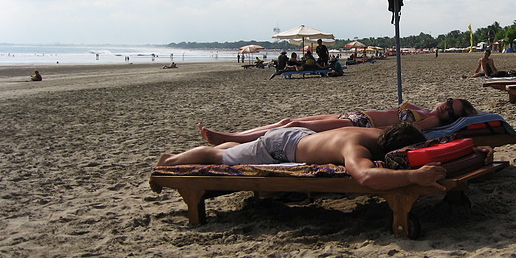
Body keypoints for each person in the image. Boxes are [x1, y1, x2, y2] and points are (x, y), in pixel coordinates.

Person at [158, 123, 494, 191]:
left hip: (299, 139)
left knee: (231, 151)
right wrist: (410, 177)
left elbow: (434, 142)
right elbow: (364, 177)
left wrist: (474, 150)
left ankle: (180, 154)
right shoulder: (357, 149)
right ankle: (170, 161)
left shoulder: (385, 135)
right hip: (280, 146)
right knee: (223, 158)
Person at [199, 98, 478, 145]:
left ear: (453, 117)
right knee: (290, 119)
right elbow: (404, 108)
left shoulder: (430, 124)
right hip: (355, 115)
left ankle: (233, 139)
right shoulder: (429, 111)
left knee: (293, 128)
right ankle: (235, 134)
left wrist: (365, 132)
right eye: (449, 99)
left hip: (360, 126)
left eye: (450, 108)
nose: (445, 104)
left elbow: (401, 130)